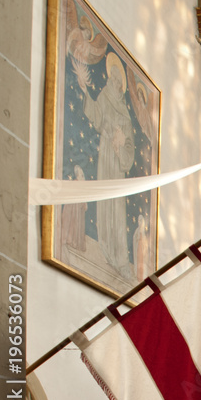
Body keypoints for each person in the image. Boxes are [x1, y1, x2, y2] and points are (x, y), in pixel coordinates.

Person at [75, 51, 135, 278]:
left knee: (117, 207)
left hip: (117, 162)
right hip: (106, 158)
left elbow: (130, 146)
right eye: (114, 78)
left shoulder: (127, 114)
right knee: (105, 202)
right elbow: (96, 115)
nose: (116, 82)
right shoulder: (104, 97)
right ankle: (106, 248)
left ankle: (120, 258)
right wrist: (84, 90)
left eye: (119, 81)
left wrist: (122, 146)